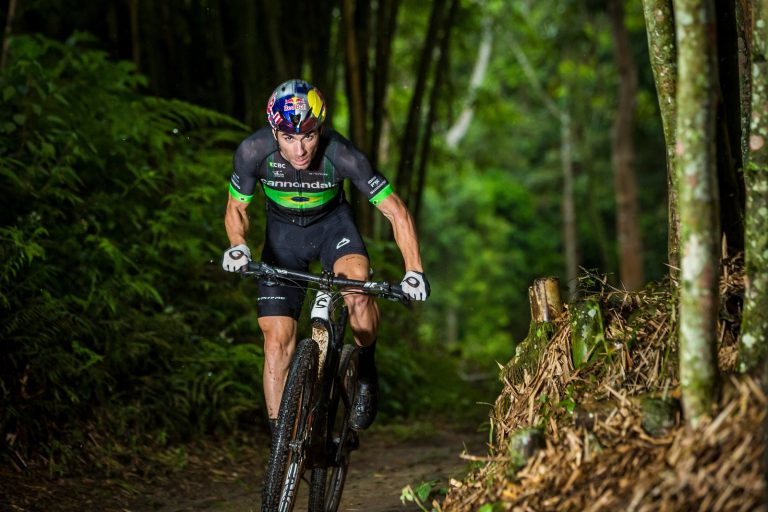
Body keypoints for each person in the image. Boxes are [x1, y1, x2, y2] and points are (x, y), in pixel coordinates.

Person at [221, 79, 429, 432]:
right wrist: (238, 245)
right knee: (275, 342)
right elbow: (236, 208)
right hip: (283, 241)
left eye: (308, 136)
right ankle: (280, 446)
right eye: (289, 138)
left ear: (320, 128)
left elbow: (396, 211)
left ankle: (365, 371)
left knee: (359, 299)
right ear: (274, 132)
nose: (300, 149)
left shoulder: (343, 154)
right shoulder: (252, 151)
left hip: (335, 231)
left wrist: (414, 270)